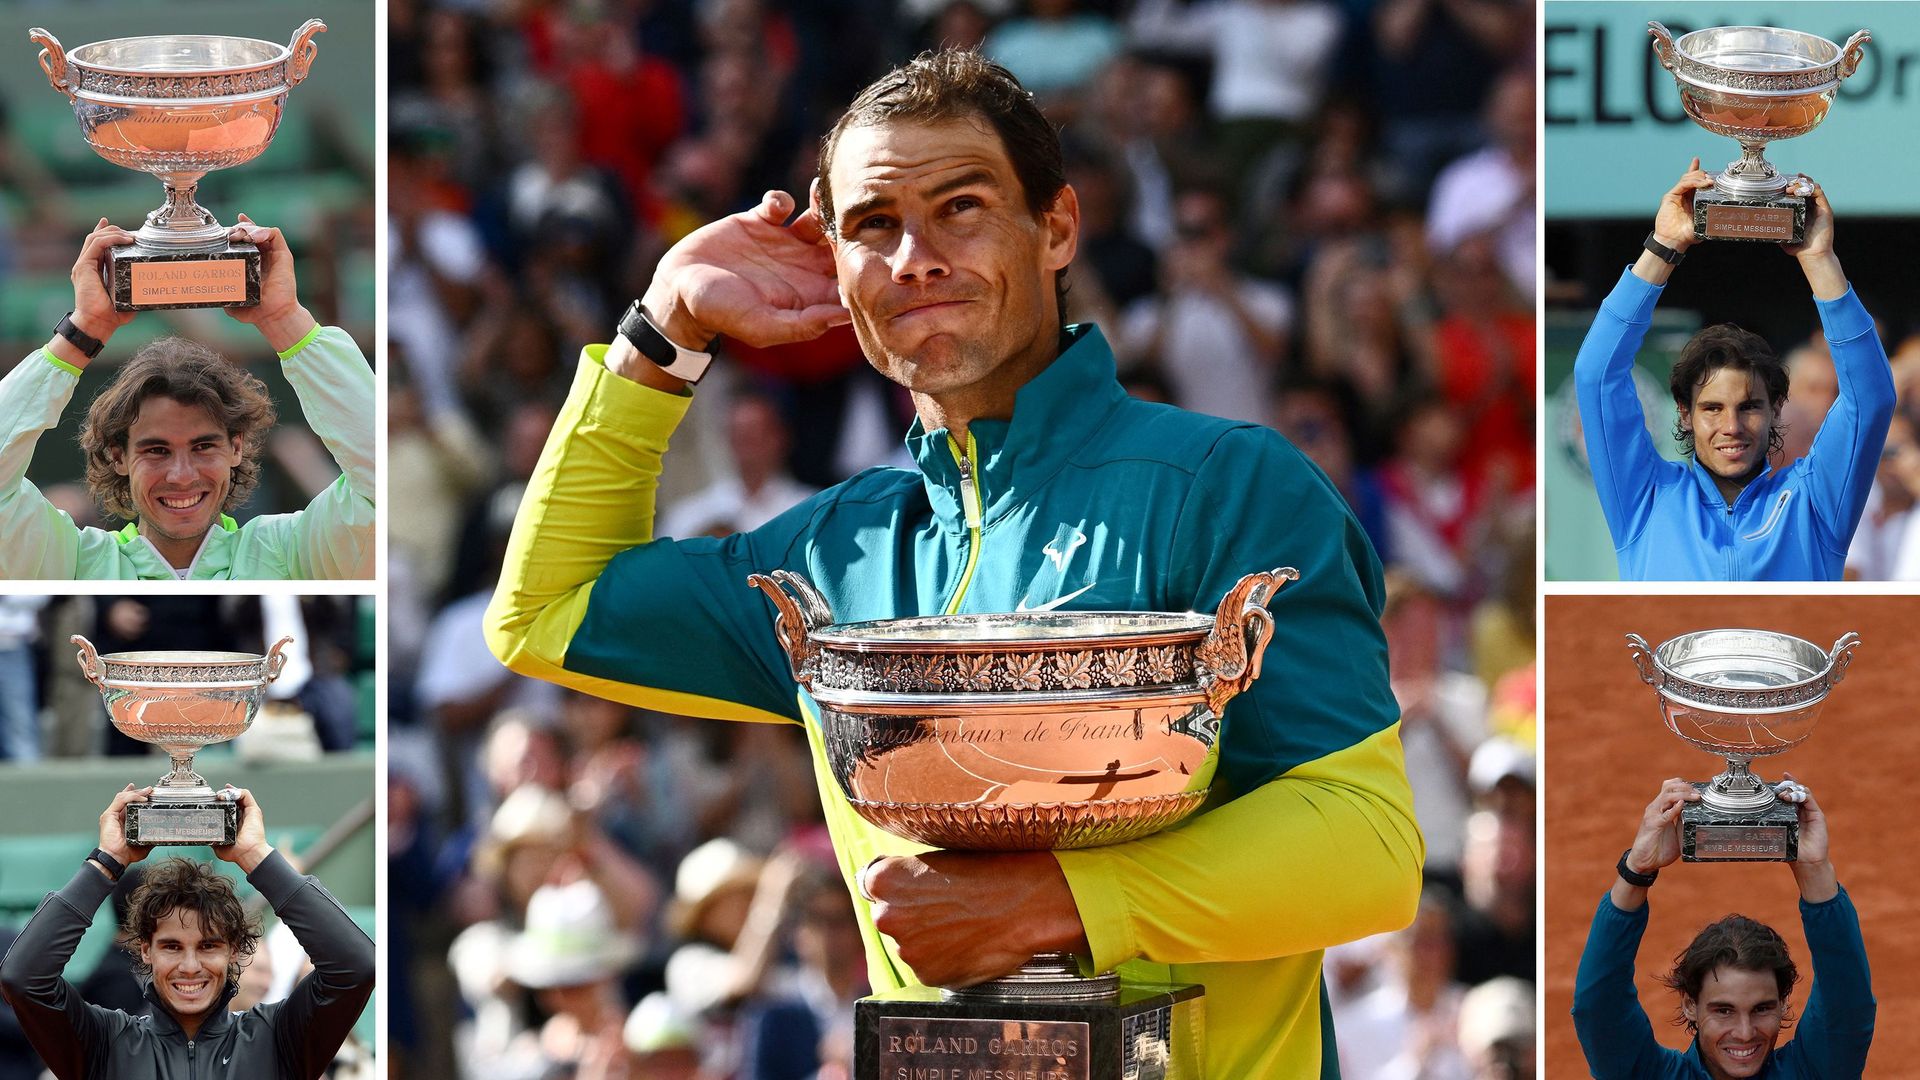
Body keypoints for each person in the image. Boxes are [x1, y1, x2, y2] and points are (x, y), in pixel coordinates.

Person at [486, 50, 1419, 1077]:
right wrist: (662, 333)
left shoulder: (1229, 484)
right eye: (874, 225)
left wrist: (1053, 904)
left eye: (961, 207)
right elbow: (543, 613)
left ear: (1056, 227)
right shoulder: (826, 554)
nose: (915, 257)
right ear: (837, 264)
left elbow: (1366, 847)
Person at [0, 218, 375, 580]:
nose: (182, 476)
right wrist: (84, 329)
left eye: (203, 447)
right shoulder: (71, 565)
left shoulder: (295, 553)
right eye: (157, 451)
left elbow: (377, 473)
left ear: (236, 448)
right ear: (118, 456)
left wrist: (285, 318)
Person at [1572, 160, 1894, 580]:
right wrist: (1664, 245)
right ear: (1684, 414)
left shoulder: (1814, 502)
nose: (1732, 426)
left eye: (1749, 407)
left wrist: (1819, 259)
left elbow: (1871, 399)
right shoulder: (1645, 496)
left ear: (1777, 409)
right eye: (1711, 408)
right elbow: (1597, 375)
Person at [0, 784, 376, 1079]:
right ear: (145, 951)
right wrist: (106, 863)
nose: (190, 965)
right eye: (172, 946)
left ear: (234, 953)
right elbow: (23, 978)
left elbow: (357, 966)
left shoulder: (279, 1038)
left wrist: (256, 856)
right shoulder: (104, 1042)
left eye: (209, 945)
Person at [1572, 778, 1874, 1078]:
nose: (1744, 1034)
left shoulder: (1814, 1072)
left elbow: (1846, 998)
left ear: (1783, 1004)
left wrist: (1814, 869)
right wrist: (1637, 869)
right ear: (1691, 1005)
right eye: (1724, 1010)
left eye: (1762, 1008)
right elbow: (1599, 1007)